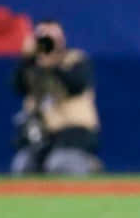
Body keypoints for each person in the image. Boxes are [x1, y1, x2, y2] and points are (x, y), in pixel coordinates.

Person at [11, 20, 102, 175]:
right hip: (44, 134)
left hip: (74, 131)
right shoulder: (33, 66)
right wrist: (26, 59)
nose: (48, 43)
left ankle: (90, 164)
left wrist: (53, 64)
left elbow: (76, 85)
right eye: (42, 38)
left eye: (52, 37)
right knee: (23, 166)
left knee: (58, 165)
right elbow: (17, 87)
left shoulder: (75, 59)